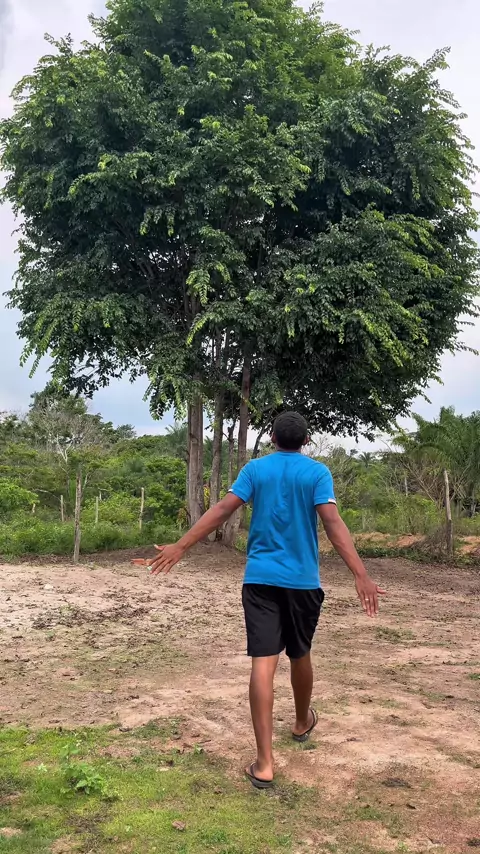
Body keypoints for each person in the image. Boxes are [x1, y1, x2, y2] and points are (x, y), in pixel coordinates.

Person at [133, 411, 385, 789]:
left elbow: (222, 510)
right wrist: (360, 574)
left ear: (272, 438)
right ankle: (301, 722)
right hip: (302, 583)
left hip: (260, 581)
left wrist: (181, 546)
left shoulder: (255, 470)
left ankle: (265, 763)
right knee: (300, 653)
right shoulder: (317, 473)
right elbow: (333, 524)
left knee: (263, 664)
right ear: (306, 440)